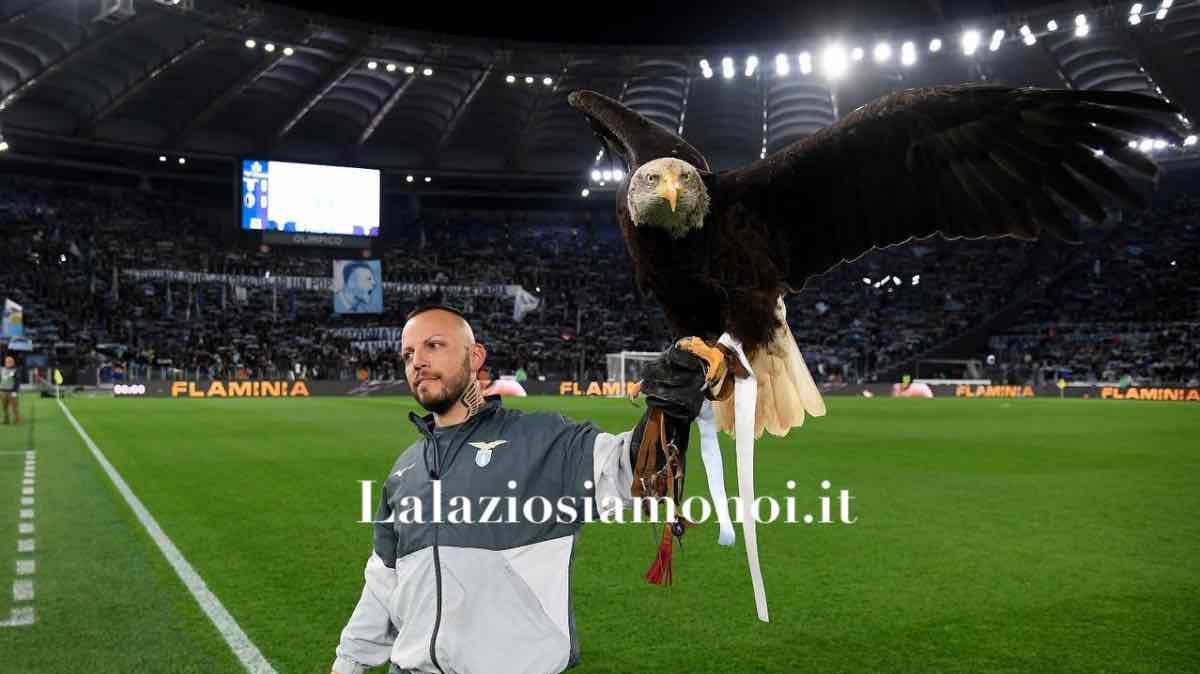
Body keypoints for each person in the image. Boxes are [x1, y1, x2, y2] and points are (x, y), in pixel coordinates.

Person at [330, 304, 706, 674]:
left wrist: (667, 411)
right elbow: (383, 582)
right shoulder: (404, 471)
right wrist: (347, 664)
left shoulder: (541, 440)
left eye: (434, 345)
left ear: (475, 356)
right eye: (408, 353)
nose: (417, 362)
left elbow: (631, 470)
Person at [1, 355, 20, 425]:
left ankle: (16, 420)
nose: (8, 363)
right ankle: (6, 420)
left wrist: (15, 391)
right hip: (2, 391)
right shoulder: (2, 370)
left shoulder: (15, 370)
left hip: (12, 391)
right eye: (7, 361)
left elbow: (17, 381)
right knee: (4, 407)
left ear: (13, 362)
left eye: (10, 361)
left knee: (14, 407)